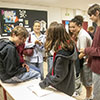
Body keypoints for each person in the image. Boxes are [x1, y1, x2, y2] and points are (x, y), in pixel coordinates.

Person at [39, 23, 77, 96]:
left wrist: (45, 83)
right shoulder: (65, 47)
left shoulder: (62, 55)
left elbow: (58, 76)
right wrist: (47, 78)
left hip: (62, 89)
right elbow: (54, 69)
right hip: (65, 86)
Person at [69, 15, 93, 100]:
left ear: (79, 26)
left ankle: (89, 97)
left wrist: (73, 60)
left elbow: (82, 53)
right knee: (84, 81)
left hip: (86, 61)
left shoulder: (82, 35)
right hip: (83, 61)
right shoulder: (79, 34)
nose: (71, 29)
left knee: (87, 82)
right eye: (70, 27)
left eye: (73, 27)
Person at [79, 4, 100, 100]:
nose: (90, 18)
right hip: (95, 65)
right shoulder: (97, 28)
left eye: (91, 15)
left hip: (98, 68)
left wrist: (86, 50)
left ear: (97, 12)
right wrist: (90, 58)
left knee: (97, 94)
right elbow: (95, 47)